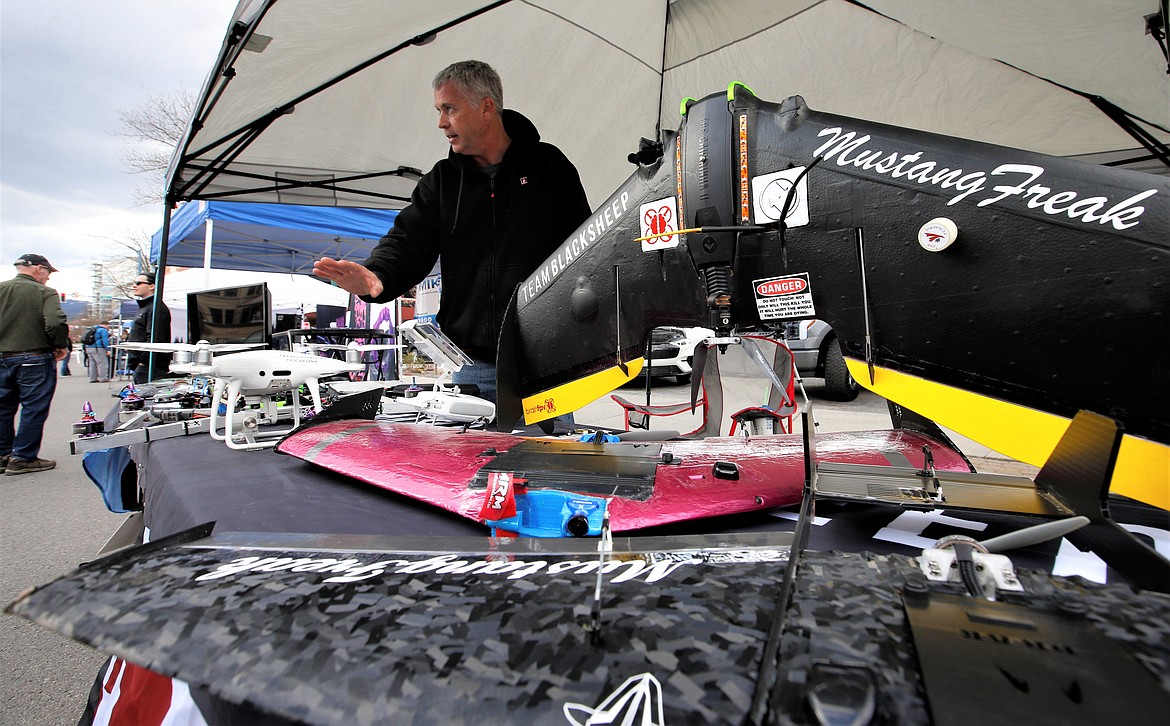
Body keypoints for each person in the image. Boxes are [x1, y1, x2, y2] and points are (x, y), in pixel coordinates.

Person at [313, 60, 591, 405]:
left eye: (450, 109)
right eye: (439, 110)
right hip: (472, 366)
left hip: (545, 362)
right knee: (471, 459)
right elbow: (406, 241)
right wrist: (378, 276)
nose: (441, 122)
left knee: (553, 458)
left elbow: (585, 250)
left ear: (486, 107)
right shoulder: (441, 182)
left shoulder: (550, 167)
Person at [0, 253, 69, 475]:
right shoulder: (44, 292)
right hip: (34, 356)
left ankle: (3, 454)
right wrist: (60, 344)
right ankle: (23, 457)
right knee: (34, 408)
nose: (48, 278)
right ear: (39, 269)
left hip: (2, 356)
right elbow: (55, 322)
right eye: (48, 273)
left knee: (2, 407)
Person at [126, 272, 172, 384]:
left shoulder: (156, 308)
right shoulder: (146, 307)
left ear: (152, 286)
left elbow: (156, 338)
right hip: (143, 366)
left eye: (139, 283)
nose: (134, 286)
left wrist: (143, 362)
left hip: (149, 367)